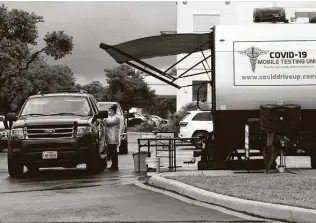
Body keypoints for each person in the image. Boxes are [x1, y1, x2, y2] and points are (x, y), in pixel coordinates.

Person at [104, 104, 121, 171]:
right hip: (109, 137)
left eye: (110, 110)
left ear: (113, 111)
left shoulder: (116, 118)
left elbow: (109, 123)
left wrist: (104, 118)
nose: (109, 112)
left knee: (114, 152)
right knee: (111, 152)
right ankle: (113, 165)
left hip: (113, 137)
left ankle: (115, 166)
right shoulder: (110, 117)